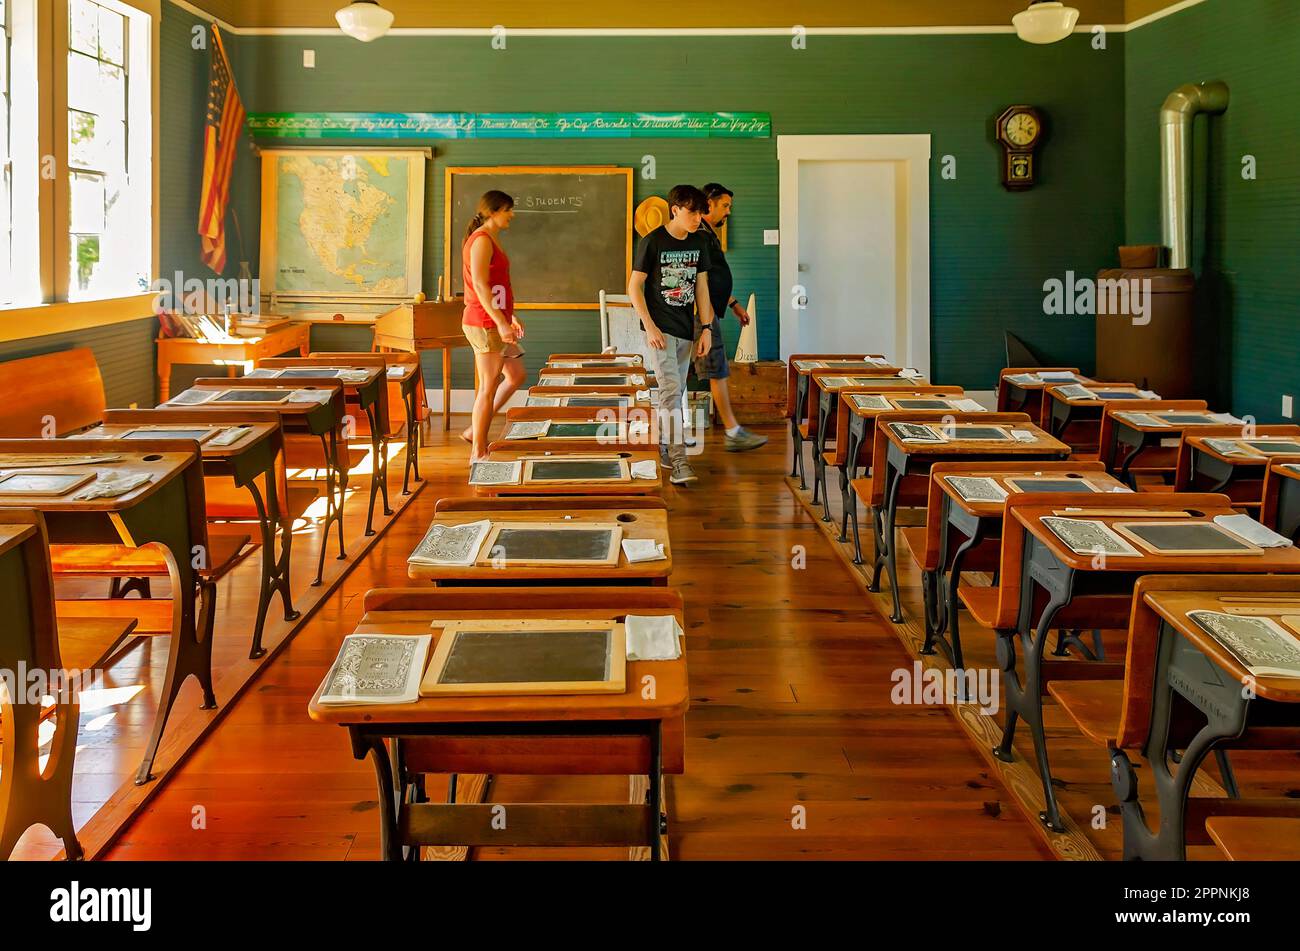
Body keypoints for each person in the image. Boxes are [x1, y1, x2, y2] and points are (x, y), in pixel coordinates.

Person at [627, 184, 716, 485]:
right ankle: (679, 463)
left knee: (675, 393)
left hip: (686, 330)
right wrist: (649, 326)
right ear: (675, 209)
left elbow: (702, 288)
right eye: (692, 212)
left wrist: (706, 329)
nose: (698, 218)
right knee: (669, 393)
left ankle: (665, 449)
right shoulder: (652, 243)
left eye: (701, 212)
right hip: (660, 331)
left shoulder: (701, 242)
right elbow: (633, 287)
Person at [696, 183, 768, 452]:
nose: (728, 212)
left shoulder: (707, 234)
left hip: (709, 312)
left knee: (716, 369)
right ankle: (732, 431)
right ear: (709, 203)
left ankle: (731, 430)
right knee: (715, 369)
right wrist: (706, 318)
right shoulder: (699, 235)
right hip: (701, 314)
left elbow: (713, 279)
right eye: (725, 206)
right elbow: (699, 280)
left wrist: (734, 303)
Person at [460, 190, 526, 460]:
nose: (512, 214)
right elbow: (479, 285)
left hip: (496, 320)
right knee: (488, 386)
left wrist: (510, 316)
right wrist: (500, 322)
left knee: (516, 375)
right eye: (508, 209)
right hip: (484, 322)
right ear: (493, 211)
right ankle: (478, 450)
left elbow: (497, 287)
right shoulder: (481, 241)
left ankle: (473, 431)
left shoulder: (492, 239)